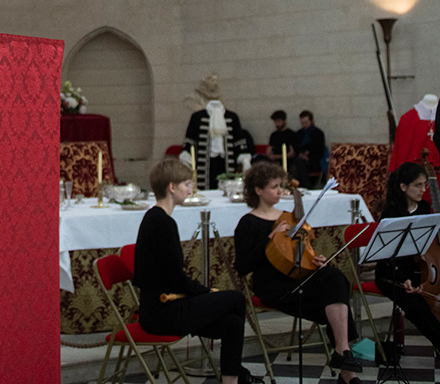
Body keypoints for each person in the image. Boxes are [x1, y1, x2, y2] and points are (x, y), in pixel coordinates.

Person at [234, 161, 362, 381]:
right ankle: (346, 368)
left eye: (280, 185)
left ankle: (343, 352)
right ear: (258, 190)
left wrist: (314, 260)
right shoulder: (248, 223)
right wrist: (269, 238)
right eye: (274, 186)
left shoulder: (289, 217)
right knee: (332, 298)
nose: (280, 191)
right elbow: (242, 267)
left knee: (333, 277)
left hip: (299, 276)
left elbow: (300, 251)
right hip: (273, 286)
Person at [134, 157, 251, 384]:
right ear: (172, 187)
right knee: (236, 298)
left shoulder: (154, 218)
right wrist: (204, 291)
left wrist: (201, 293)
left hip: (161, 307)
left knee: (233, 324)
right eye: (187, 184)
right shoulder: (162, 223)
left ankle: (232, 379)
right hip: (163, 312)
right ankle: (238, 375)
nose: (190, 189)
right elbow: (175, 277)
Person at [374, 161, 440, 355]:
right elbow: (388, 257)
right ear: (403, 187)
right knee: (416, 303)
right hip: (390, 273)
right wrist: (404, 279)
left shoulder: (424, 207)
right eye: (418, 185)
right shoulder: (391, 212)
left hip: (418, 268)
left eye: (424, 185)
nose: (423, 190)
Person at [295, 110, 326, 187]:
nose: (304, 125)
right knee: (296, 164)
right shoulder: (299, 134)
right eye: (302, 123)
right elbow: (296, 147)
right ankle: (297, 186)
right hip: (300, 159)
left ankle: (305, 186)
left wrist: (308, 156)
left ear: (311, 121)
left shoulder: (318, 133)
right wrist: (301, 154)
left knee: (299, 165)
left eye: (306, 122)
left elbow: (319, 150)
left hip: (314, 161)